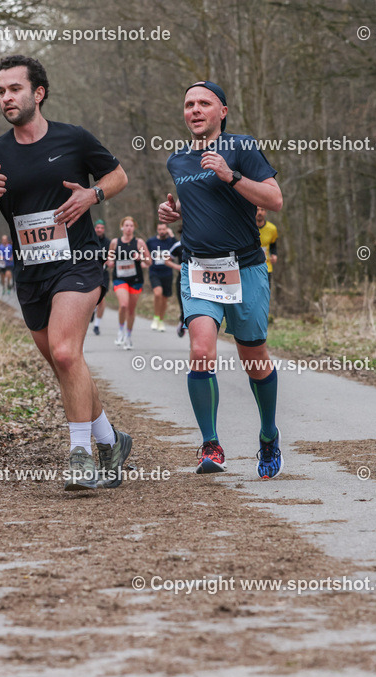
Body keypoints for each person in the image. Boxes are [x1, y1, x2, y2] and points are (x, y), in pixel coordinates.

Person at [0, 55, 133, 491]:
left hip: (78, 262)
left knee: (65, 352)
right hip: (31, 273)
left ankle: (80, 456)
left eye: (14, 89)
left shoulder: (73, 139)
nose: (6, 98)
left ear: (38, 93)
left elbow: (118, 176)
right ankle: (111, 441)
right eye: (1, 91)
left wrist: (93, 195)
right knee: (66, 363)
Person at [157, 80, 284, 479]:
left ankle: (269, 434)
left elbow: (274, 199)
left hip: (246, 268)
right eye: (189, 104)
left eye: (204, 103)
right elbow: (199, 204)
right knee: (201, 351)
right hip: (198, 269)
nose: (195, 110)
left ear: (222, 112)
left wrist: (231, 176)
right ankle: (210, 444)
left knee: (255, 361)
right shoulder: (177, 160)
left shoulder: (242, 147)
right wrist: (175, 213)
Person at [105, 216, 150, 350]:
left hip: (136, 279)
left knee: (131, 310)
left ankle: (128, 336)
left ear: (134, 228)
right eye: (126, 225)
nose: (129, 228)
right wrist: (110, 262)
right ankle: (120, 330)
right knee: (124, 305)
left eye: (131, 226)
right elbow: (109, 258)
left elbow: (149, 261)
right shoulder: (115, 242)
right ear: (122, 227)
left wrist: (141, 257)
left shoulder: (139, 243)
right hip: (120, 278)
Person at [146, 223, 177, 332]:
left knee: (164, 298)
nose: (162, 231)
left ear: (167, 229)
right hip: (154, 272)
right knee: (157, 293)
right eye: (159, 229)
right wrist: (145, 261)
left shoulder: (171, 241)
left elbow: (178, 248)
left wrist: (172, 235)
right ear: (157, 230)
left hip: (167, 273)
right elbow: (145, 253)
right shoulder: (151, 241)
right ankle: (155, 317)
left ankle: (161, 320)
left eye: (164, 229)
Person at [165, 232, 187, 337]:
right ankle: (182, 321)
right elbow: (167, 260)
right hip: (182, 279)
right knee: (183, 305)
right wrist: (178, 267)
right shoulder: (178, 245)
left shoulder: (201, 244)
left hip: (199, 280)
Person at [90, 219, 110, 335]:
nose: (99, 230)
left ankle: (97, 325)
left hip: (103, 274)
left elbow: (112, 256)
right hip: (91, 273)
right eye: (97, 227)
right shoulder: (89, 240)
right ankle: (92, 309)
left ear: (104, 229)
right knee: (92, 298)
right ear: (94, 228)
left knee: (101, 299)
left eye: (101, 228)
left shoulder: (108, 242)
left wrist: (109, 261)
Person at [256, 207, 278, 288]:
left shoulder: (272, 229)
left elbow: (273, 244)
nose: (259, 212)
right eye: (257, 210)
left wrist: (274, 254)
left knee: (266, 291)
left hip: (266, 266)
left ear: (266, 212)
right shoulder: (249, 228)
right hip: (252, 267)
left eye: (262, 210)